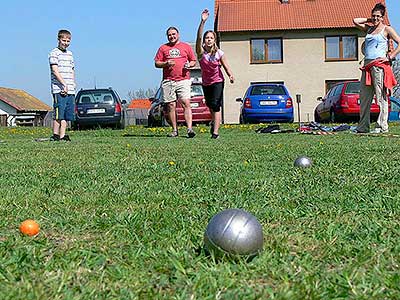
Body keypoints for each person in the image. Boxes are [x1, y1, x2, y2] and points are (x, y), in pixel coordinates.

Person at [353, 3, 399, 134]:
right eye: (374, 16)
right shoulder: (369, 29)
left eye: (378, 16)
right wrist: (370, 20)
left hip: (379, 66)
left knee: (381, 97)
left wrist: (391, 56)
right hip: (367, 66)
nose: (375, 18)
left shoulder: (387, 29)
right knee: (365, 97)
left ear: (383, 17)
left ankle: (381, 126)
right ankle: (363, 127)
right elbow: (355, 21)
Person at [196, 9, 234, 139]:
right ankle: (214, 123)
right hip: (206, 83)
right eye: (207, 38)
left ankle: (215, 133)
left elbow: (226, 65)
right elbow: (198, 37)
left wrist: (230, 75)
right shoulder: (201, 53)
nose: (209, 40)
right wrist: (202, 22)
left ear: (214, 40)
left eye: (211, 38)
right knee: (210, 105)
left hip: (218, 81)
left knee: (216, 105)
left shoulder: (219, 53)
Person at [154, 27, 197, 138]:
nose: (172, 36)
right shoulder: (163, 48)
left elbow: (193, 60)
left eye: (173, 34)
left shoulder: (186, 46)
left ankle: (189, 129)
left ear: (178, 35)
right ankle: (174, 130)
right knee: (171, 105)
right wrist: (166, 63)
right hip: (168, 81)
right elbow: (157, 63)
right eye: (169, 35)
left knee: (185, 103)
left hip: (183, 79)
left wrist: (190, 65)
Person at [49, 29, 76, 141]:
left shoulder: (70, 54)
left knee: (66, 114)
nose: (65, 43)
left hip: (70, 89)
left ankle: (63, 135)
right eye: (63, 40)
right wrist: (63, 84)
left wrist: (72, 83)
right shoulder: (54, 53)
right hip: (59, 88)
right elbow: (55, 70)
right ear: (58, 40)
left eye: (68, 41)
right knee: (58, 113)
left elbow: (72, 69)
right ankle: (55, 135)